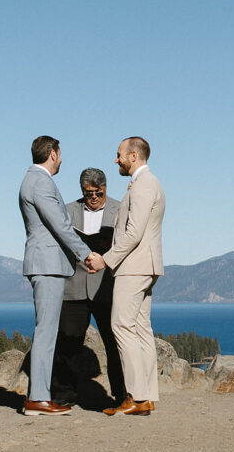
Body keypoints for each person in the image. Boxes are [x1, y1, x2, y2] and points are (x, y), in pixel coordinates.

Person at [87, 137, 165, 416]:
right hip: (145, 265)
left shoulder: (144, 184)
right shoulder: (145, 184)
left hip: (134, 266)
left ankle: (136, 396)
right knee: (141, 328)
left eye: (119, 154)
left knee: (121, 325)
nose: (116, 159)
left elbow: (134, 232)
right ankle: (147, 395)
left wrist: (105, 260)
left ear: (133, 155)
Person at [18, 136, 94, 416]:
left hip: (45, 263)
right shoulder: (40, 182)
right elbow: (61, 225)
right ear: (52, 153)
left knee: (46, 330)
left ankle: (39, 395)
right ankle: (38, 398)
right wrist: (86, 254)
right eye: (60, 154)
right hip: (47, 264)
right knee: (47, 332)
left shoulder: (33, 181)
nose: (61, 159)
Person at [51, 168, 126, 406]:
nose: (93, 197)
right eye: (88, 193)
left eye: (98, 193)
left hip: (107, 286)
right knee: (68, 341)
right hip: (74, 286)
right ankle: (64, 393)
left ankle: (122, 393)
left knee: (115, 343)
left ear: (106, 189)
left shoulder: (120, 209)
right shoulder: (68, 210)